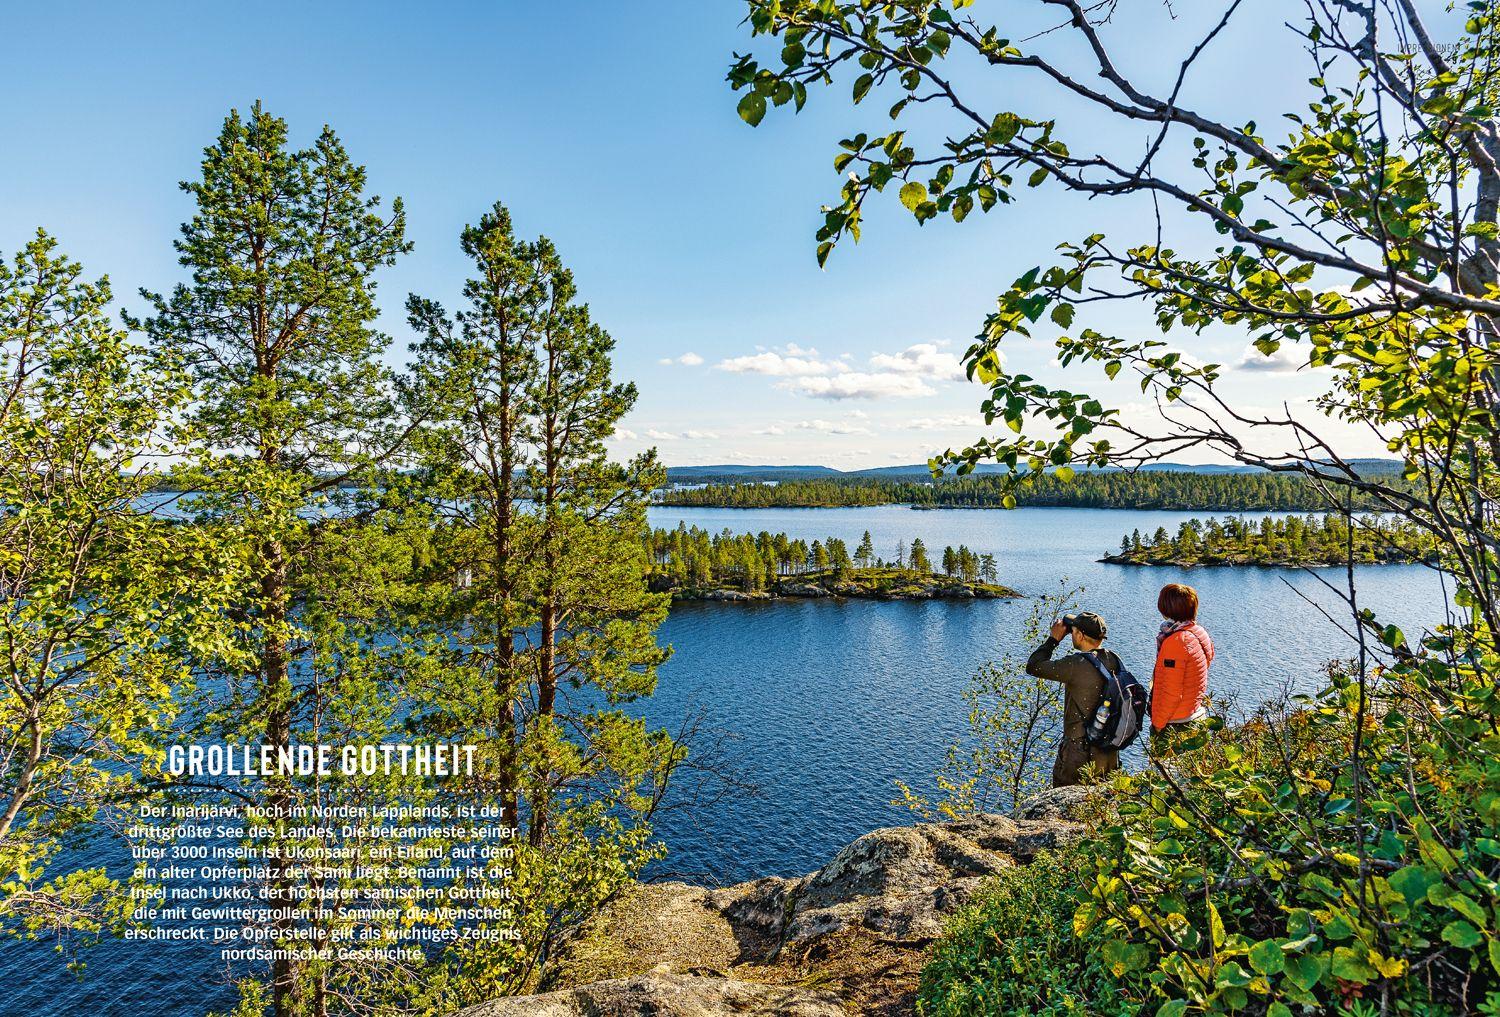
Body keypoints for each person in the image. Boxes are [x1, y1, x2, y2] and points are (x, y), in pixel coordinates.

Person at [1025, 611, 1123, 787]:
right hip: (1108, 750)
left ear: (1080, 635)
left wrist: (1053, 640)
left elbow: (1033, 666)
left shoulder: (1076, 664)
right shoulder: (1115, 660)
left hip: (1078, 752)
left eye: (1073, 630)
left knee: (1065, 799)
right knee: (1101, 799)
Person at [1150, 583, 1214, 752]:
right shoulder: (1198, 632)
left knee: (1164, 769)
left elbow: (1172, 691)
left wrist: (1158, 724)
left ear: (1166, 608)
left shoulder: (1176, 642)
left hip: (1176, 724)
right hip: (1195, 713)